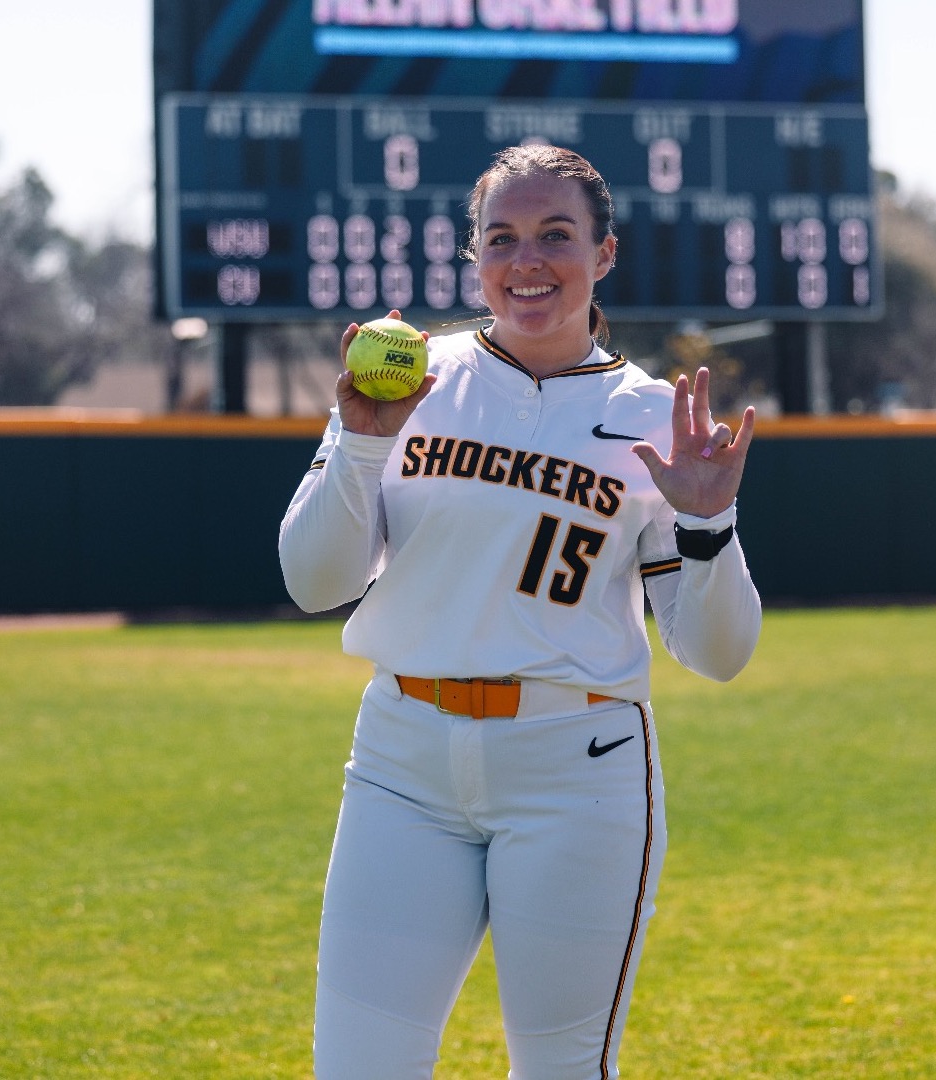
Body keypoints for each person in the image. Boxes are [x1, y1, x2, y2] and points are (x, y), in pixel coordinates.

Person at [279, 143, 762, 1079]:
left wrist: (711, 523)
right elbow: (313, 579)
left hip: (577, 772)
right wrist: (364, 446)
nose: (526, 261)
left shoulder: (659, 419)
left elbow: (718, 653)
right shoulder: (406, 379)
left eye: (556, 235)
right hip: (402, 762)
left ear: (605, 253)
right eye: (500, 238)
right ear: (473, 257)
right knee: (359, 1067)